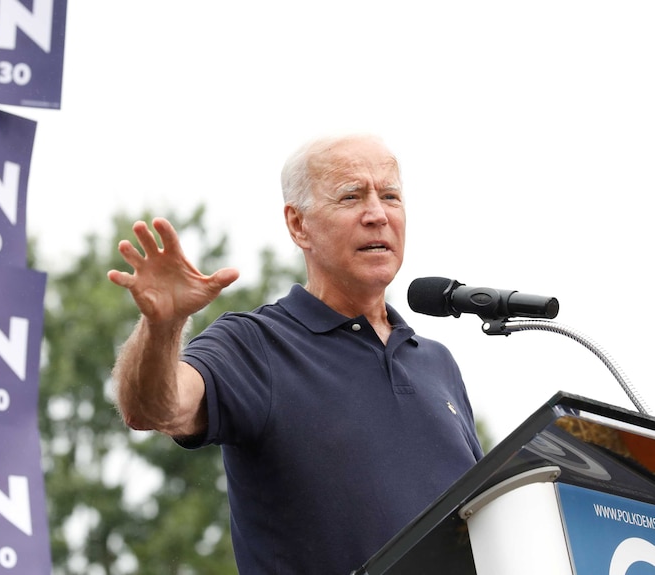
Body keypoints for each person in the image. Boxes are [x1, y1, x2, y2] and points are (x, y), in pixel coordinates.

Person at [107, 134, 483, 574]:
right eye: (351, 196)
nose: (377, 215)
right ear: (298, 225)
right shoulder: (256, 344)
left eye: (391, 196)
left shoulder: (436, 363)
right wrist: (164, 325)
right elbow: (152, 408)